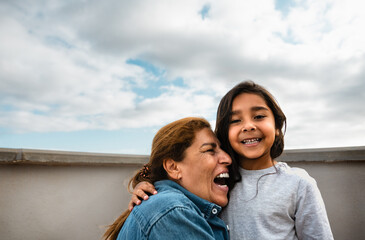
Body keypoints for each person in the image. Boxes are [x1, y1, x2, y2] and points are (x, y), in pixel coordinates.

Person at [129, 81, 334, 240]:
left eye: (259, 116)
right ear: (225, 132)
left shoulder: (298, 184)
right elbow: (176, 192)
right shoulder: (219, 180)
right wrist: (146, 186)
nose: (248, 126)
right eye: (235, 121)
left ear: (277, 126)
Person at [103, 117, 232, 240]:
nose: (227, 159)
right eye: (210, 150)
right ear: (173, 167)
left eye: (222, 150)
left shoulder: (171, 207)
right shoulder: (173, 211)